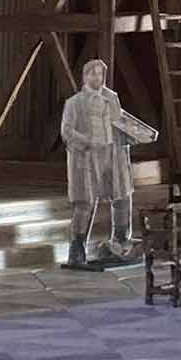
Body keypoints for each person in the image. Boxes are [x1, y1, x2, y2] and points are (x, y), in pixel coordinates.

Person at [61, 58, 157, 267]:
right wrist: (87, 140)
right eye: (92, 73)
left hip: (113, 153)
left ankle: (120, 241)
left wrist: (138, 134)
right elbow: (67, 132)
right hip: (87, 157)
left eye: (100, 74)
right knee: (85, 201)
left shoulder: (111, 97)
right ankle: (77, 247)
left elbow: (120, 121)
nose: (97, 77)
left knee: (122, 195)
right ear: (85, 76)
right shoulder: (74, 103)